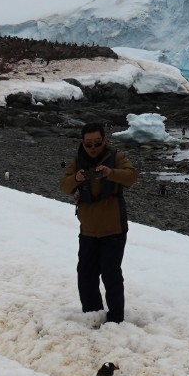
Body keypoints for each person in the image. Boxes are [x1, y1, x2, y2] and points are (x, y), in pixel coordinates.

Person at [57, 122, 137, 324]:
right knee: (86, 275)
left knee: (111, 274)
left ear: (104, 141)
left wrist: (111, 173)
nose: (93, 148)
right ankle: (93, 314)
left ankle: (116, 318)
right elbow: (65, 187)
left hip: (114, 230)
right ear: (82, 144)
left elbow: (131, 177)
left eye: (97, 143)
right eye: (88, 144)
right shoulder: (77, 161)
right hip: (88, 231)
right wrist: (76, 177)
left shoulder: (116, 157)